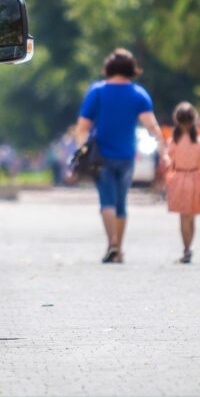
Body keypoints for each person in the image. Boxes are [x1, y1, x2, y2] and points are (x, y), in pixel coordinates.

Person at [75, 48, 169, 264]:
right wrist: (163, 151)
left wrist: (82, 148)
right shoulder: (139, 94)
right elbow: (152, 126)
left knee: (106, 201)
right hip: (127, 156)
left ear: (108, 67)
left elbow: (82, 127)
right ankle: (118, 249)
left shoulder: (97, 91)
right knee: (120, 202)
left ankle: (112, 244)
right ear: (131, 69)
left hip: (101, 156)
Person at [167, 103, 200, 264]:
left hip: (179, 179)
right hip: (195, 178)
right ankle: (188, 247)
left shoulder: (174, 142)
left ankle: (186, 249)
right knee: (191, 217)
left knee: (183, 217)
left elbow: (169, 162)